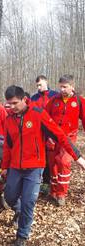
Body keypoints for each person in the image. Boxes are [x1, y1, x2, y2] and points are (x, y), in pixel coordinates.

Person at [1, 85, 85, 246]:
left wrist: (78, 157)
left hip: (35, 167)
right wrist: (4, 166)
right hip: (15, 167)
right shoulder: (9, 119)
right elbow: (8, 146)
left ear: (24, 99)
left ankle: (22, 236)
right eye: (8, 104)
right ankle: (18, 211)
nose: (11, 107)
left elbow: (60, 135)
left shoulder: (38, 114)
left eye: (14, 103)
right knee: (9, 197)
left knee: (28, 202)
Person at [45, 75, 85, 206]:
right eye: (60, 86)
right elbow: (44, 118)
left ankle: (61, 194)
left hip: (69, 138)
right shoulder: (53, 100)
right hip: (53, 138)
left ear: (72, 86)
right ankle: (53, 191)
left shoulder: (79, 101)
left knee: (64, 162)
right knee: (53, 164)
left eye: (65, 87)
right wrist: (47, 136)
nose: (62, 89)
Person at [31, 75, 59, 194]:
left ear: (46, 82)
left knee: (55, 158)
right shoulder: (34, 98)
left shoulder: (55, 95)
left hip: (52, 129)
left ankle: (56, 182)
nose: (38, 87)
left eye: (40, 84)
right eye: (37, 85)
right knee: (42, 157)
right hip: (39, 131)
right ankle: (45, 182)